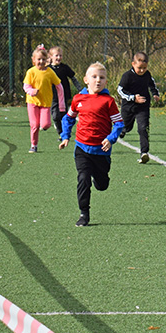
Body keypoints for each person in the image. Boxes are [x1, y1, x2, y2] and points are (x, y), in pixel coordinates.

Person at [60, 62, 124, 227]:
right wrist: (65, 136)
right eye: (94, 77)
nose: (98, 80)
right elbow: (68, 118)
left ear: (106, 82)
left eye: (102, 78)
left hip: (101, 151)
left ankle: (100, 178)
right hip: (82, 148)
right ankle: (84, 214)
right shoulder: (78, 99)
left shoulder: (108, 101)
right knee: (83, 178)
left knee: (102, 185)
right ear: (86, 80)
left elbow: (118, 124)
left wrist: (110, 138)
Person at [117, 51, 160, 164]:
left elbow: (152, 84)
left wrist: (155, 93)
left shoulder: (147, 74)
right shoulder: (127, 76)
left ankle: (144, 153)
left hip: (143, 107)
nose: (142, 70)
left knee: (143, 128)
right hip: (128, 107)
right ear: (133, 64)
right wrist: (132, 98)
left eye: (144, 68)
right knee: (127, 127)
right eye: (139, 68)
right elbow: (120, 90)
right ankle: (123, 130)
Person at [23, 45, 65, 153]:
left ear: (47, 60)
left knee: (45, 124)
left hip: (45, 103)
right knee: (34, 125)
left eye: (43, 59)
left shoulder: (50, 72)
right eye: (38, 59)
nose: (41, 61)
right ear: (33, 60)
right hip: (32, 102)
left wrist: (61, 104)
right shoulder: (31, 72)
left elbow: (59, 86)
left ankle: (44, 125)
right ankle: (33, 145)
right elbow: (26, 86)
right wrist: (32, 91)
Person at [48, 46, 82, 139]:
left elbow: (73, 78)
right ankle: (60, 131)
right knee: (55, 116)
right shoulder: (48, 69)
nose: (58, 57)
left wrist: (80, 89)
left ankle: (64, 133)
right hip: (53, 95)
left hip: (64, 95)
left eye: (60, 55)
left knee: (64, 116)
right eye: (56, 55)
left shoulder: (65, 67)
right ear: (51, 56)